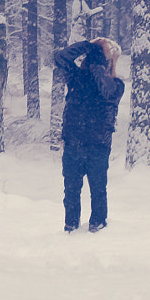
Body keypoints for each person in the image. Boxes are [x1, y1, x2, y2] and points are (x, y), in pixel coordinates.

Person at [52, 36, 124, 232]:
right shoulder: (76, 77)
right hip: (73, 143)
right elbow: (60, 58)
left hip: (97, 146)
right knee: (71, 192)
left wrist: (98, 67)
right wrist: (86, 46)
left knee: (98, 191)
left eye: (102, 56)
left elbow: (106, 91)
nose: (95, 58)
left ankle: (97, 228)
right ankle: (70, 229)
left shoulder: (116, 85)